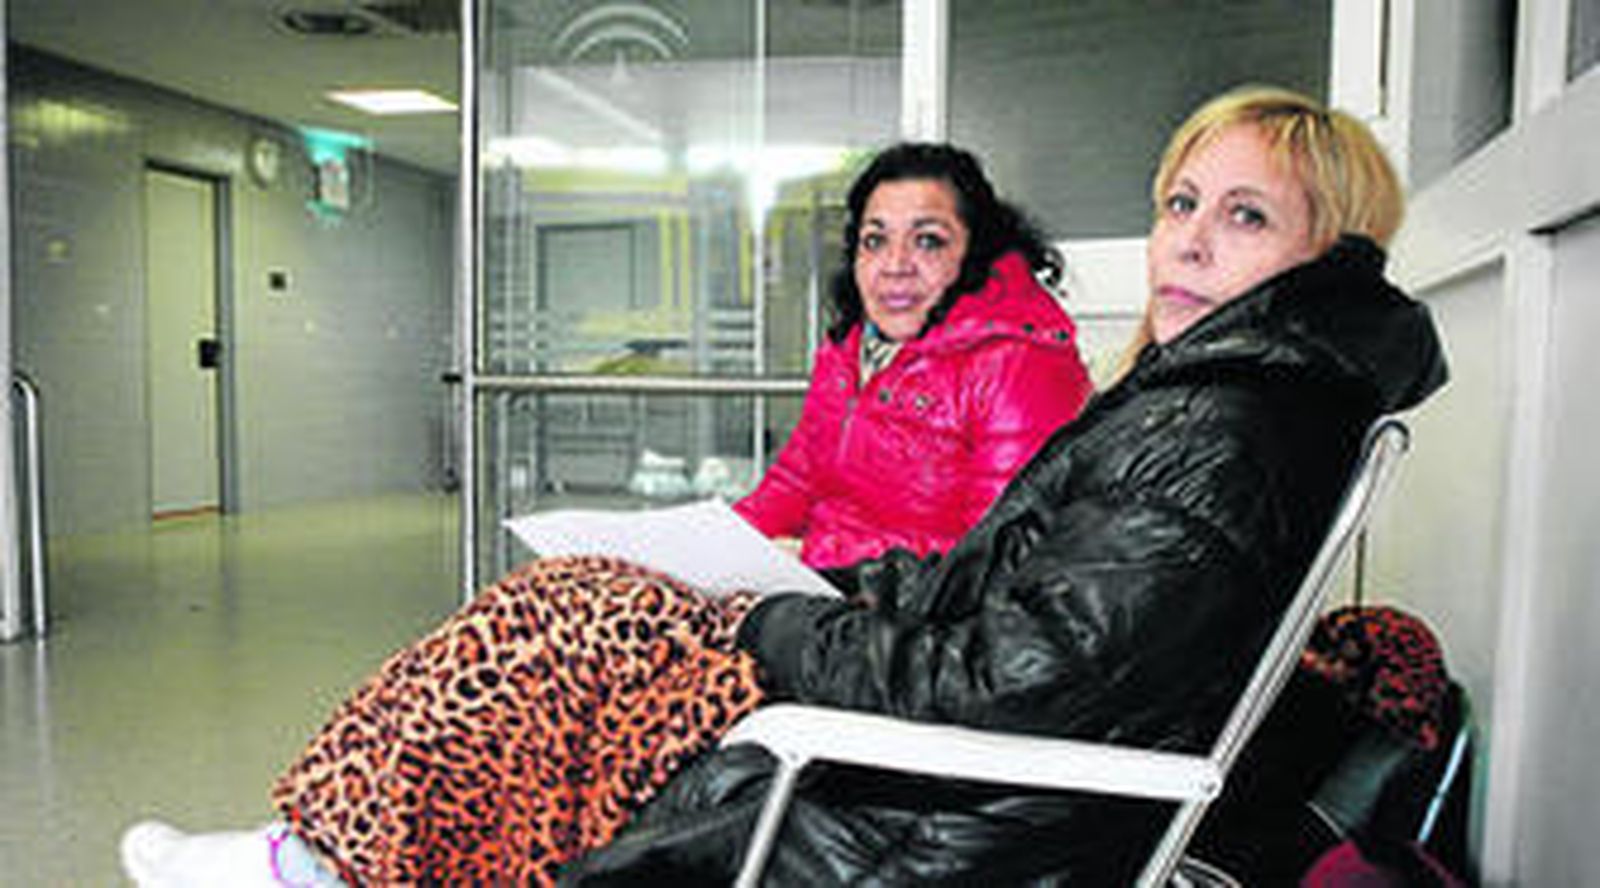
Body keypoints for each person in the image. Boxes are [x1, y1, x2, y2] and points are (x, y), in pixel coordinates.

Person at [121, 84, 1447, 886]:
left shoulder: (1207, 430)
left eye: (1245, 216)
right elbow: (952, 560)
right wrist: (734, 564)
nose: (1190, 242)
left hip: (949, 792)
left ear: (1326, 251)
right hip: (896, 667)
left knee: (564, 631)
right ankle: (324, 851)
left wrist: (783, 616)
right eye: (1180, 202)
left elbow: (1010, 655)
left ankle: (317, 859)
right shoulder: (1201, 403)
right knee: (584, 605)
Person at [733, 143, 1093, 568]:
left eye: (927, 241)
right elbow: (794, 483)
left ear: (975, 252)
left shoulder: (1023, 365)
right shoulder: (850, 348)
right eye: (875, 240)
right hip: (831, 585)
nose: (895, 265)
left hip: (921, 605)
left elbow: (996, 556)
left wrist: (819, 554)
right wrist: (712, 545)